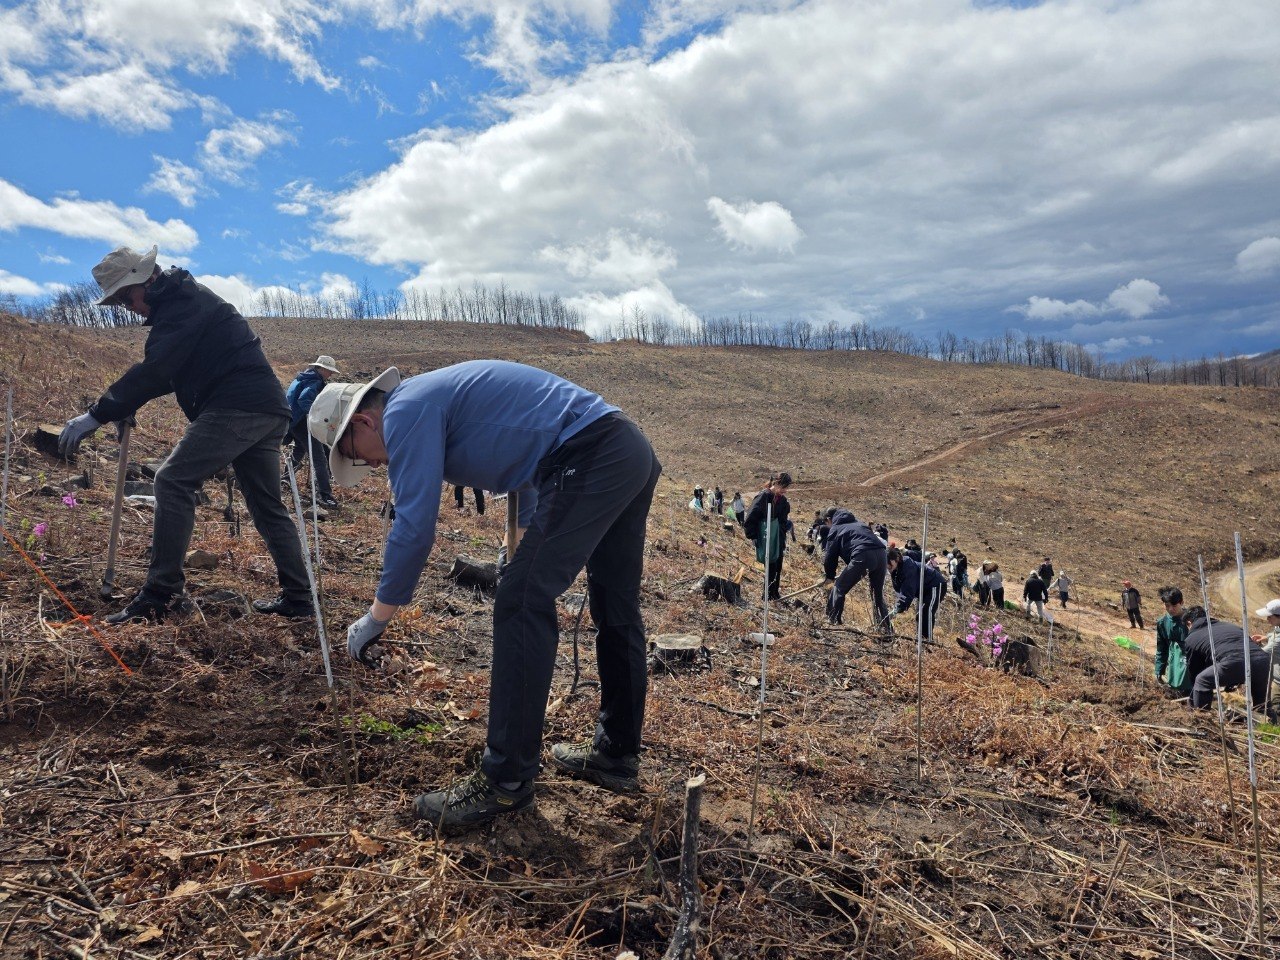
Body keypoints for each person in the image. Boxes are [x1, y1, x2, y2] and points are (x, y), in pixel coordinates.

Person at [311, 360, 661, 831]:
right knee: (614, 606)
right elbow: (527, 459)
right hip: (624, 447)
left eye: (355, 453)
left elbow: (414, 527)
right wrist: (514, 543)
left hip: (591, 453)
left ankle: (506, 779)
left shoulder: (405, 411)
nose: (370, 465)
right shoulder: (432, 398)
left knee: (520, 598)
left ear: (363, 421)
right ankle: (615, 755)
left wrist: (377, 616)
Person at [58, 245, 312, 624]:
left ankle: (161, 595)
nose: (129, 308)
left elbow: (157, 369)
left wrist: (98, 413)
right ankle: (300, 598)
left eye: (126, 298)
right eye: (120, 303)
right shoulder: (182, 300)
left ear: (144, 280)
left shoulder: (182, 304)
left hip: (237, 406)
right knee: (266, 507)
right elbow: (169, 368)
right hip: (266, 409)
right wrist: (126, 404)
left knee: (173, 480)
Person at [1181, 607, 1271, 710]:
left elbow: (1195, 670)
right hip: (1262, 659)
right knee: (1262, 705)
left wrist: (1195, 692)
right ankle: (1270, 724)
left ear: (1189, 623)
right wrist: (1230, 679)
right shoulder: (1231, 626)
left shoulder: (1191, 639)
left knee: (1201, 681)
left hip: (1234, 661)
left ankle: (1201, 718)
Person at [284, 355, 341, 510]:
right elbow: (304, 400)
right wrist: (315, 416)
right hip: (302, 421)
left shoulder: (302, 377)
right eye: (329, 371)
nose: (330, 374)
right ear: (321, 368)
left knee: (300, 448)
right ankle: (324, 495)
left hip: (292, 420)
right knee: (319, 457)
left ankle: (285, 478)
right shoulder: (314, 381)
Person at [821, 508, 889, 628]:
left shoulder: (836, 529)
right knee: (877, 594)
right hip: (882, 554)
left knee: (839, 588)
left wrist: (830, 577)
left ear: (829, 519)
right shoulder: (860, 524)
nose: (827, 526)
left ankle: (832, 623)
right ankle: (885, 628)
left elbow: (830, 557)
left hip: (863, 555)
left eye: (826, 523)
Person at [744, 474, 792, 601]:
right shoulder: (764, 497)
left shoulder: (782, 500)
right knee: (770, 566)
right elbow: (751, 517)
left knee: (778, 566)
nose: (784, 490)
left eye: (786, 488)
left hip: (778, 538)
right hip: (766, 536)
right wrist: (753, 536)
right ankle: (767, 595)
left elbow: (783, 521)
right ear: (775, 483)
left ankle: (775, 593)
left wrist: (782, 536)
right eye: (782, 487)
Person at [886, 546, 946, 640]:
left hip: (935, 584)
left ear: (896, 559)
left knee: (926, 612)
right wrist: (898, 605)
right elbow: (900, 590)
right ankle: (921, 639)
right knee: (920, 614)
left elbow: (908, 590)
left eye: (889, 564)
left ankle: (928, 641)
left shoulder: (907, 567)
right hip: (924, 589)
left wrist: (898, 608)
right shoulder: (895, 569)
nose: (888, 567)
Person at [1154, 587, 1190, 694]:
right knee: (1176, 690)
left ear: (1181, 602)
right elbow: (1162, 648)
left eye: (1174, 606)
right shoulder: (1162, 623)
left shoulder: (1192, 620)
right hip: (1174, 665)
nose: (1170, 609)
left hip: (1191, 663)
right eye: (1167, 606)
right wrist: (1159, 670)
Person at [1253, 599, 1280, 690]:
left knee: (1275, 703)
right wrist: (1266, 637)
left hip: (1278, 682)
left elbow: (1260, 654)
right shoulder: (1278, 626)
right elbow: (1276, 633)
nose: (1267, 619)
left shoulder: (1278, 641)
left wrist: (1254, 645)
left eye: (1269, 616)